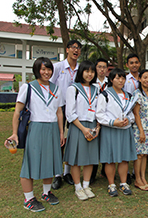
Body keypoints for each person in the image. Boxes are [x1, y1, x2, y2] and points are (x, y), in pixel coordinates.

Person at [5, 57, 64, 212]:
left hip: (52, 128)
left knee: (50, 161)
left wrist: (61, 132)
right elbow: (17, 111)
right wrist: (14, 133)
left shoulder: (56, 88)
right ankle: (29, 198)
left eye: (49, 69)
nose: (46, 72)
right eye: (43, 69)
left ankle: (46, 193)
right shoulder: (28, 87)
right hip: (36, 128)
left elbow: (58, 111)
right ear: (37, 70)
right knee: (30, 164)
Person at [96, 68, 137, 197]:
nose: (121, 80)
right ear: (112, 79)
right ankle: (111, 184)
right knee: (110, 159)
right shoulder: (105, 95)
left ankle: (123, 183)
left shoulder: (128, 95)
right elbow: (99, 114)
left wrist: (128, 120)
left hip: (125, 130)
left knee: (124, 159)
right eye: (117, 78)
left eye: (123, 78)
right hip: (110, 130)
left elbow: (132, 114)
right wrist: (114, 122)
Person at [64, 60, 100, 201]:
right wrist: (83, 129)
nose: (89, 74)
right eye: (87, 71)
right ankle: (78, 187)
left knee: (89, 158)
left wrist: (97, 127)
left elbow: (99, 110)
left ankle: (86, 185)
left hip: (92, 126)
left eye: (92, 71)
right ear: (81, 72)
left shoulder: (96, 89)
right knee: (76, 159)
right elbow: (70, 113)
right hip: (78, 126)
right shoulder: (73, 88)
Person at [50, 40, 82, 189]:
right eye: (73, 48)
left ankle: (67, 172)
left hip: (76, 109)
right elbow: (49, 86)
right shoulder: (58, 67)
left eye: (78, 48)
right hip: (60, 109)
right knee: (59, 140)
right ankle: (57, 174)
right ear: (67, 49)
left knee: (72, 140)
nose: (76, 50)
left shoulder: (81, 69)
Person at [91, 58, 109, 184]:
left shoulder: (111, 83)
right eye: (99, 67)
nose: (102, 69)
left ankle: (105, 171)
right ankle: (92, 174)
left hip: (107, 118)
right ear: (95, 68)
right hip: (93, 118)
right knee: (94, 146)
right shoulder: (91, 84)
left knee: (106, 145)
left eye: (104, 67)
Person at [123, 53, 141, 184]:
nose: (134, 65)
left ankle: (136, 172)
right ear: (127, 65)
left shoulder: (144, 78)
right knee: (128, 145)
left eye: (136, 62)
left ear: (139, 64)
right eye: (131, 63)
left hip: (141, 116)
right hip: (129, 116)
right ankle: (128, 172)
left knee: (139, 145)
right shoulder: (124, 79)